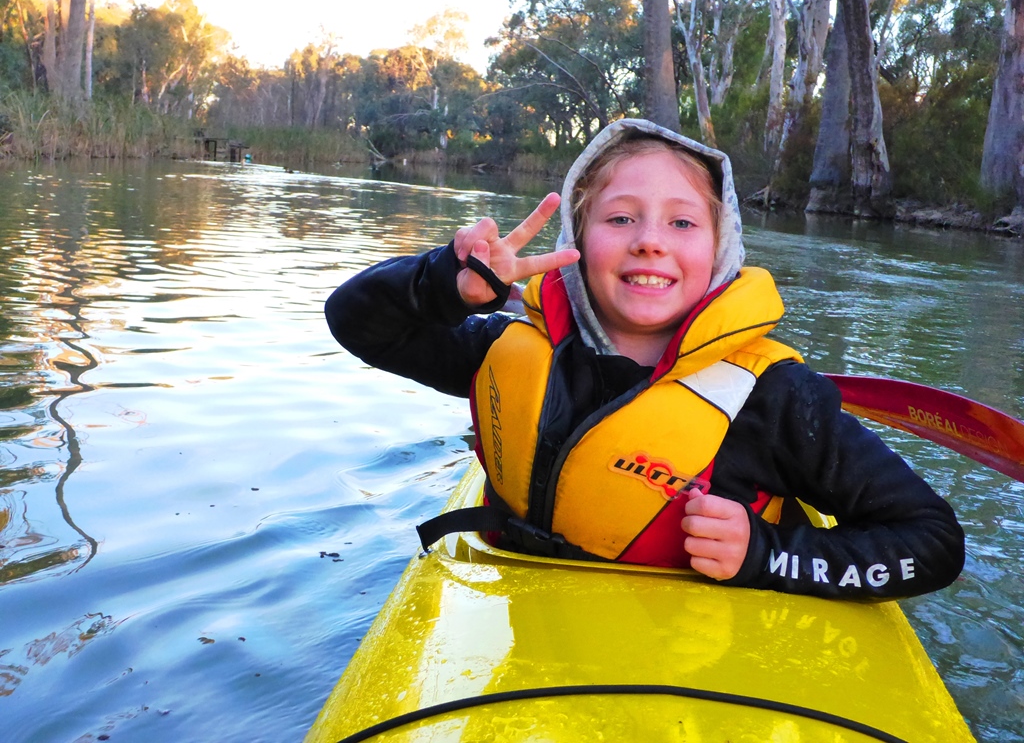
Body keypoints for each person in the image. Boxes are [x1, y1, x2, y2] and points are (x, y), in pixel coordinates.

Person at [326, 118, 964, 599]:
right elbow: (355, 320)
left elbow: (933, 540)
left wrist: (768, 555)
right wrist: (444, 282)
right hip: (526, 621)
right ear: (576, 240)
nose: (650, 242)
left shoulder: (777, 399)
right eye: (621, 218)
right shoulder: (505, 346)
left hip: (690, 672)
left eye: (683, 224)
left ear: (720, 250)